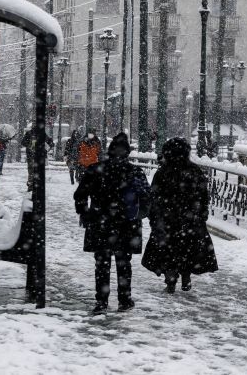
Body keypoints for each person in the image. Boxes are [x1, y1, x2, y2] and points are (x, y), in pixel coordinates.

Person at [74, 133, 150, 314]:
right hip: (126, 225)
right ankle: (124, 299)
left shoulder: (95, 170)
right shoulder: (135, 172)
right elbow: (146, 197)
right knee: (124, 262)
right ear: (127, 153)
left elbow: (80, 195)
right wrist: (139, 214)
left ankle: (101, 301)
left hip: (101, 223)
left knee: (102, 263)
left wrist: (85, 213)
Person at [142, 137, 218, 293]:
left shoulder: (163, 172)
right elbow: (203, 194)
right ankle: (186, 275)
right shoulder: (195, 171)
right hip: (190, 219)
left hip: (168, 219)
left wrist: (155, 217)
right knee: (187, 249)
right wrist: (201, 213)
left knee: (169, 249)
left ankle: (171, 278)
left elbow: (154, 197)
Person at [20, 126, 53, 191]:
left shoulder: (29, 133)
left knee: (31, 171)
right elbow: (50, 142)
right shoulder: (41, 133)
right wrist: (50, 144)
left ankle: (30, 185)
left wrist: (29, 145)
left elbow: (23, 142)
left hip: (31, 155)